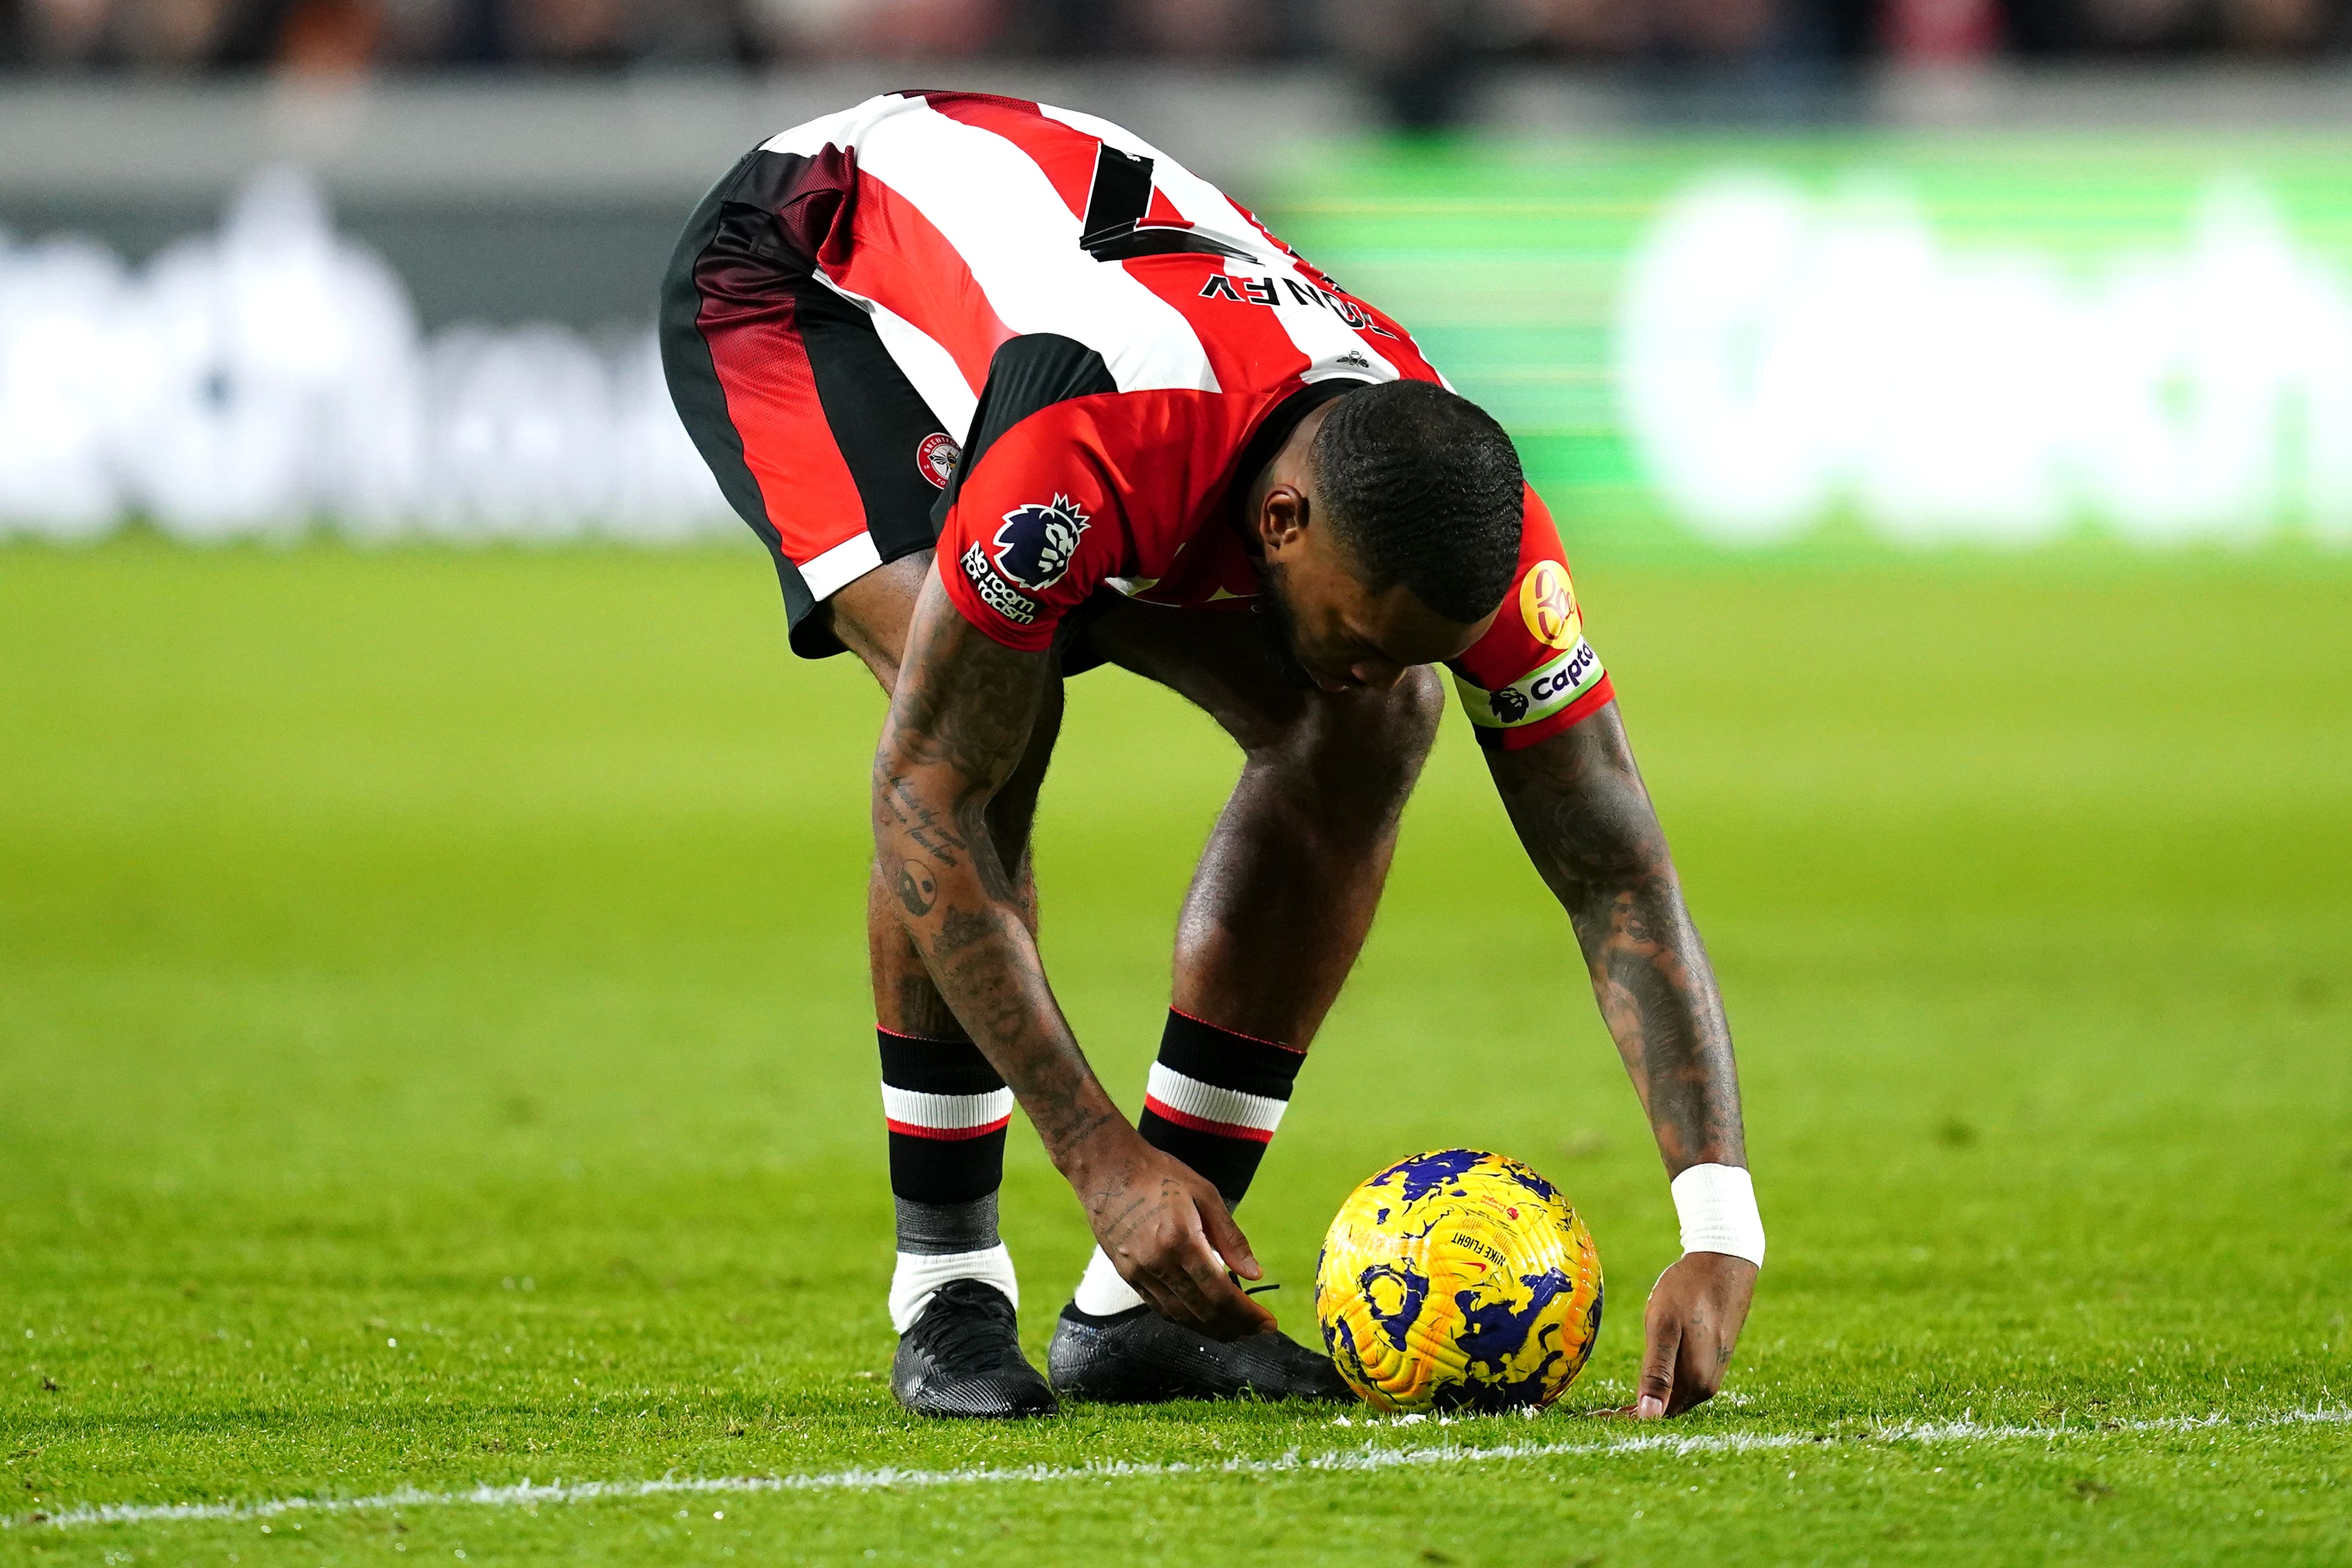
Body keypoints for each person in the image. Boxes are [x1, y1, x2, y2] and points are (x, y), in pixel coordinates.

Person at [660, 90, 1762, 1420]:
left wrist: (1719, 1221)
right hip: (808, 275)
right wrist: (1098, 1158)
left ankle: (1145, 1317)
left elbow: (1612, 861)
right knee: (987, 738)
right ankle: (947, 1288)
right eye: (1359, 626)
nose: (1370, 652)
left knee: (1371, 719)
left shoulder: (1475, 511)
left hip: (1118, 391)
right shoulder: (1087, 441)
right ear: (1284, 523)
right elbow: (923, 803)